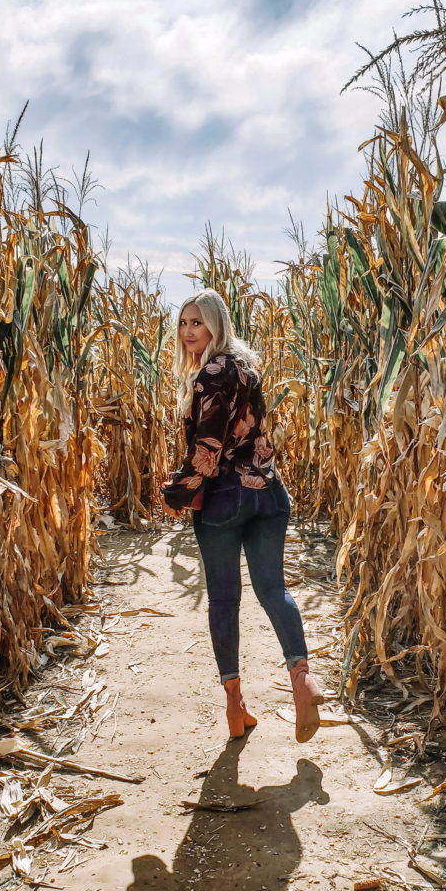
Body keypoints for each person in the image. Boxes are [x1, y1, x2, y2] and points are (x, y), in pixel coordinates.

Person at [160, 288, 324, 743]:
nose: (189, 331)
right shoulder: (245, 365)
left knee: (224, 599)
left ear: (216, 324)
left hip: (225, 498)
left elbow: (208, 448)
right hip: (269, 493)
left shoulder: (210, 373)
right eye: (183, 323)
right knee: (274, 590)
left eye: (198, 322)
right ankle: (302, 678)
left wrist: (178, 491)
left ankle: (235, 705)